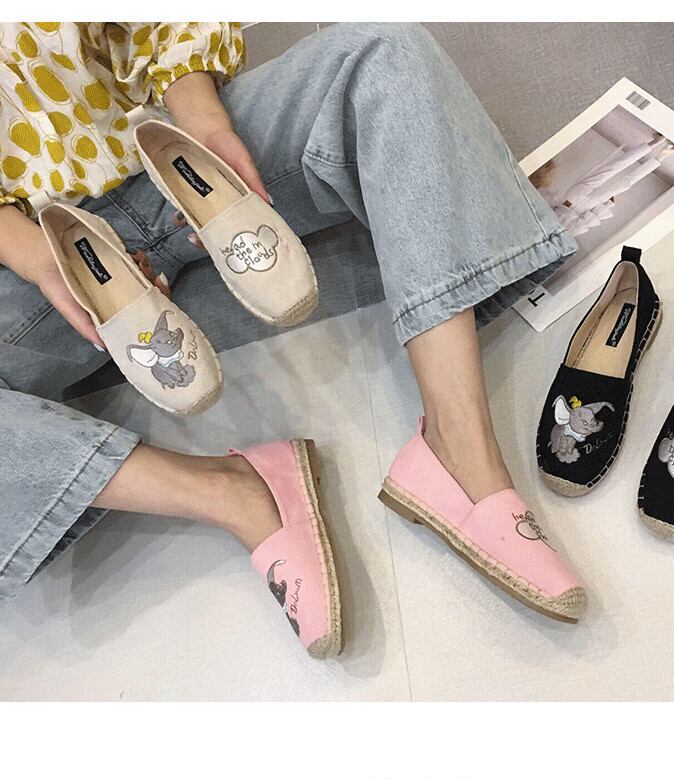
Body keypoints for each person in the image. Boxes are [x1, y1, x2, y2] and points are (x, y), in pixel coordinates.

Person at [0, 22, 576, 614]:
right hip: (27, 265)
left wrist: (205, 124)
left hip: (169, 156)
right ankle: (234, 492)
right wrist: (33, 255)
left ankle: (459, 444)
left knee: (382, 53)